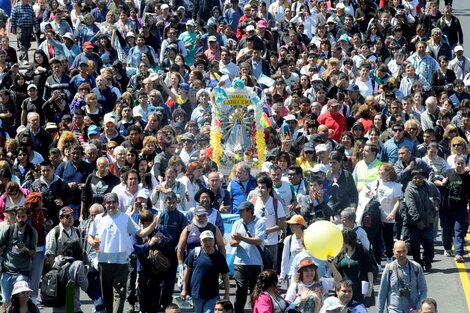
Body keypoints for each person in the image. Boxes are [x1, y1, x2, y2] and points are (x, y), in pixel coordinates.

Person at [87, 192, 161, 313]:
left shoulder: (125, 218)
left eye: (113, 202)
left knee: (120, 293)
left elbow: (141, 233)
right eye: (108, 203)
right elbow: (90, 236)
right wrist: (92, 242)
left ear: (117, 203)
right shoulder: (98, 219)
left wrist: (153, 224)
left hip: (121, 261)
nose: (111, 205)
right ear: (104, 204)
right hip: (104, 261)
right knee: (107, 295)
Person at [181, 230, 230, 313]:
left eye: (210, 240)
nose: (208, 242)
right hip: (197, 293)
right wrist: (184, 289)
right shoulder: (195, 253)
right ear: (201, 242)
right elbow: (187, 271)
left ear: (214, 241)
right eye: (205, 240)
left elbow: (225, 275)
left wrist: (227, 293)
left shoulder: (219, 257)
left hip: (212, 294)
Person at [230, 201, 265, 313]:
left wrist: (241, 238)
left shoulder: (260, 222)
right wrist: (234, 242)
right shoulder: (237, 223)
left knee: (255, 293)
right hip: (240, 262)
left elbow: (259, 240)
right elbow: (231, 240)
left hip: (255, 263)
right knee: (240, 292)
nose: (239, 212)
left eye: (241, 210)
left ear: (249, 211)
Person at [433, 156, 470, 262]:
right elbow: (435, 180)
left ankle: (459, 253)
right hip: (445, 208)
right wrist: (442, 183)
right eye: (458, 163)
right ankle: (447, 248)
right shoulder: (447, 172)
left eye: (462, 163)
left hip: (460, 209)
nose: (460, 165)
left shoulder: (467, 178)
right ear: (454, 163)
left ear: (465, 165)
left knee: (459, 231)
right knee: (446, 230)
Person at [0, 206, 37, 308]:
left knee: (21, 300)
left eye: (23, 216)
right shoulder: (9, 229)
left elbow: (33, 251)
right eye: (18, 216)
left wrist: (25, 249)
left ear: (27, 216)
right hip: (7, 269)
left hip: (23, 271)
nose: (21, 219)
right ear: (15, 216)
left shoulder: (32, 232)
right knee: (7, 300)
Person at [403, 169, 440, 271]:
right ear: (412, 178)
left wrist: (436, 201)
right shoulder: (410, 189)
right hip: (414, 223)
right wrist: (418, 220)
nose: (417, 180)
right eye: (415, 178)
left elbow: (437, 194)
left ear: (423, 178)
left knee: (429, 244)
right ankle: (418, 264)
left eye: (420, 177)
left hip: (428, 221)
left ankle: (427, 261)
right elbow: (411, 206)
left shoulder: (430, 186)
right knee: (415, 245)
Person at [377, 240, 427, 313]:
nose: (401, 254)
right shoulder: (389, 268)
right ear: (393, 251)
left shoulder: (416, 267)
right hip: (394, 310)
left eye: (403, 251)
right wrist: (379, 311)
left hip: (412, 310)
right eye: (398, 252)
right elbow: (382, 292)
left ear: (407, 250)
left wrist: (418, 307)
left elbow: (423, 290)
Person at [51, 239, 89, 313]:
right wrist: (85, 273)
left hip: (56, 307)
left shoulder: (56, 262)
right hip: (72, 307)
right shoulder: (78, 264)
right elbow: (85, 286)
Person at [10, 0, 38, 65]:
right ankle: (25, 59)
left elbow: (33, 17)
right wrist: (13, 28)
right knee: (22, 43)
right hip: (20, 27)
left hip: (29, 28)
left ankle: (20, 56)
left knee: (28, 44)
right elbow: (12, 18)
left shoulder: (30, 6)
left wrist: (36, 25)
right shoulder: (16, 6)